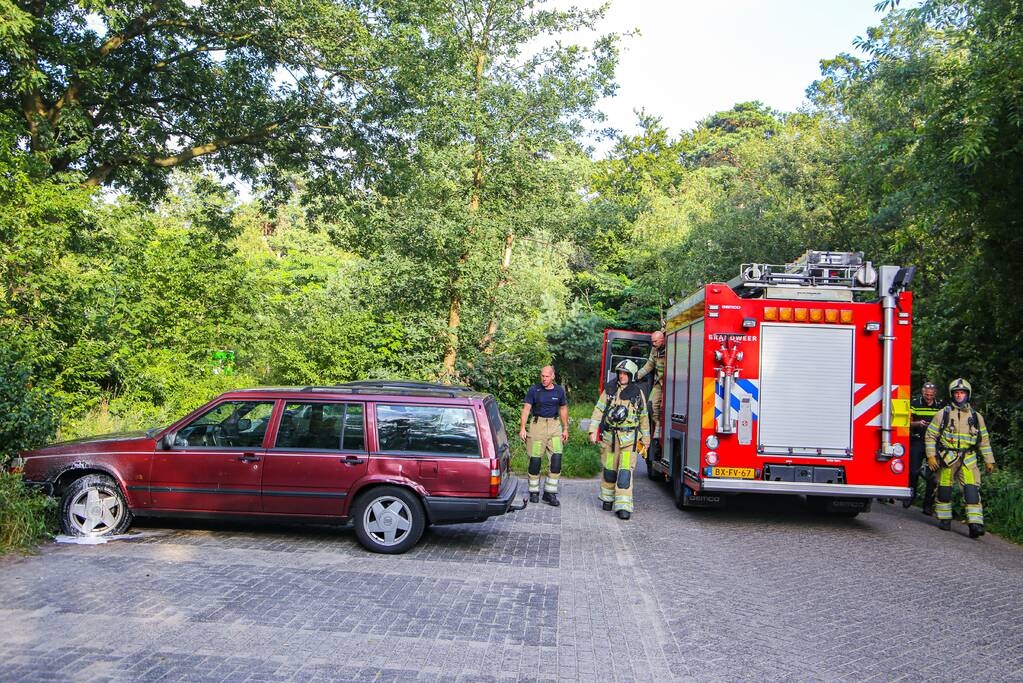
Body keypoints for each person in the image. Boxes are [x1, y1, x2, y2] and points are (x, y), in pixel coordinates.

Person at [925, 378, 996, 538]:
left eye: (962, 393)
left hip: (968, 459)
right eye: (956, 393)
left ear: (967, 395)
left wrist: (989, 460)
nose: (959, 396)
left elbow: (984, 440)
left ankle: (975, 525)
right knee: (944, 489)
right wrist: (931, 456)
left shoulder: (977, 417)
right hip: (947, 458)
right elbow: (930, 436)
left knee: (971, 491)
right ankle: (944, 519)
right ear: (952, 395)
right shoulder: (943, 413)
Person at [588, 359, 651, 520]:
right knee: (609, 470)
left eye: (625, 373)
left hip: (628, 441)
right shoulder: (609, 389)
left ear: (631, 375)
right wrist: (592, 431)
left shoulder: (637, 393)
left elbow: (643, 417)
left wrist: (646, 439)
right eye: (620, 373)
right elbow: (598, 410)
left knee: (624, 473)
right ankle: (607, 499)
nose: (622, 376)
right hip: (609, 439)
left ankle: (623, 506)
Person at [519, 365, 569, 507]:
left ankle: (549, 493)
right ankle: (534, 491)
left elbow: (563, 409)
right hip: (537, 426)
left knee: (556, 459)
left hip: (555, 426)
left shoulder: (559, 391)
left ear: (553, 376)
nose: (544, 378)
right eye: (542, 376)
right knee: (535, 460)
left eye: (547, 376)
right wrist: (522, 427)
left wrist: (566, 428)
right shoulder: (534, 390)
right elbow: (526, 409)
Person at [905, 381, 944, 513]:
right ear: (923, 393)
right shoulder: (915, 403)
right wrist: (918, 423)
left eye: (931, 395)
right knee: (913, 471)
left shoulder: (940, 405)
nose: (928, 397)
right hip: (918, 440)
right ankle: (910, 496)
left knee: (933, 475)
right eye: (926, 394)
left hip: (934, 443)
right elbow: (908, 422)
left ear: (935, 394)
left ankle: (928, 505)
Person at [635, 331, 666, 441]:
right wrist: (636, 376)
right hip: (659, 384)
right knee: (651, 405)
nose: (653, 344)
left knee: (665, 408)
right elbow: (649, 365)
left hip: (670, 384)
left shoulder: (671, 349)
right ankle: (657, 425)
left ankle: (661, 429)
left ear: (662, 340)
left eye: (655, 341)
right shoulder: (654, 350)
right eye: (652, 341)